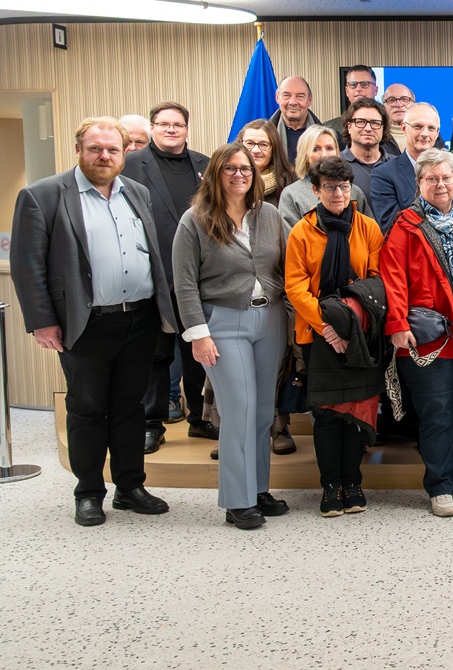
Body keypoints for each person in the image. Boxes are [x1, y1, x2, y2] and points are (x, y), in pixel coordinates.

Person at [11, 117, 177, 526]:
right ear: (78, 150)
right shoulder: (44, 195)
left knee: (130, 406)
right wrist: (42, 321)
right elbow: (27, 265)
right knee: (86, 409)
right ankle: (88, 493)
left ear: (124, 154)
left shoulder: (136, 192)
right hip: (85, 323)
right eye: (95, 148)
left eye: (112, 150)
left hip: (139, 318)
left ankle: (130, 487)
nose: (104, 156)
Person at [173, 142, 290, 530]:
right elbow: (184, 284)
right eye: (230, 168)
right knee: (238, 410)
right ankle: (237, 500)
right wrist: (198, 334)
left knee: (262, 411)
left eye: (245, 169)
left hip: (270, 319)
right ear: (215, 174)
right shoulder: (195, 219)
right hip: (222, 324)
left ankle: (257, 489)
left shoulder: (268, 215)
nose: (239, 175)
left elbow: (288, 264)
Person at [383, 148, 453, 517]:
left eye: (446, 177)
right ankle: (440, 486)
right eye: (431, 179)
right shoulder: (406, 226)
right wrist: (397, 325)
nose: (440, 184)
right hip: (428, 337)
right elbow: (393, 279)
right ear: (419, 184)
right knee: (437, 411)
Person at [284, 157, 386, 517]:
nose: (338, 193)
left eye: (344, 186)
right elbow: (295, 287)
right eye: (329, 187)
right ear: (316, 190)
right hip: (318, 334)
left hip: (360, 330)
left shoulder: (368, 228)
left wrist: (348, 322)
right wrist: (326, 326)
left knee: (357, 409)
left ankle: (353, 483)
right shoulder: (301, 231)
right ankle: (330, 486)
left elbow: (376, 279)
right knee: (326, 414)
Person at [120, 101, 214, 451]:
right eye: (164, 124)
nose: (171, 129)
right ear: (152, 128)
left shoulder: (205, 165)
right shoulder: (130, 165)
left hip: (199, 275)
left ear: (187, 129)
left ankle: (200, 419)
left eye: (178, 124)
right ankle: (152, 423)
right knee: (156, 354)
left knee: (199, 350)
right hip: (153, 274)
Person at [369, 103, 453, 233]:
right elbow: (393, 227)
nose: (424, 133)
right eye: (418, 127)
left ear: (437, 133)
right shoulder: (383, 175)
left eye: (431, 128)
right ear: (404, 128)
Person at [280, 123, 369, 229]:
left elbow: (368, 230)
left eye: (329, 148)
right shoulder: (291, 195)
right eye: (316, 149)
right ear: (305, 156)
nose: (324, 155)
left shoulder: (354, 191)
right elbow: (292, 237)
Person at [237, 119, 296, 210]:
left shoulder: (292, 179)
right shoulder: (227, 179)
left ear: (274, 148)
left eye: (263, 145)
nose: (256, 150)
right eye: (249, 143)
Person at [340, 96, 397, 190]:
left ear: (383, 128)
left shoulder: (398, 165)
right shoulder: (336, 163)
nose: (368, 128)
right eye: (361, 122)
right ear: (349, 126)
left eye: (375, 123)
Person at [270, 74, 324, 159]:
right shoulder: (264, 137)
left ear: (309, 100)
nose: (293, 102)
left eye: (300, 96)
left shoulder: (329, 138)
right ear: (277, 98)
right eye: (286, 95)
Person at [382, 83, 415, 151]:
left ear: (413, 104)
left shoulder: (428, 134)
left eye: (404, 99)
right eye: (391, 100)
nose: (398, 105)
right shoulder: (377, 137)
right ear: (383, 106)